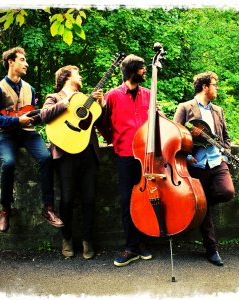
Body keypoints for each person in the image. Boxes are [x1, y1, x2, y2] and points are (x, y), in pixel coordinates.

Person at [0, 46, 63, 233]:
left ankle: (48, 208)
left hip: (28, 133)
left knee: (46, 158)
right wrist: (16, 120)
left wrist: (35, 117)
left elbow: (31, 113)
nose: (26, 63)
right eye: (22, 60)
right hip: (6, 134)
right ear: (11, 62)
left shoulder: (30, 88)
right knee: (9, 163)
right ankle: (5, 209)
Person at [39, 65, 104, 259]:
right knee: (67, 199)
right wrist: (66, 102)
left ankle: (87, 240)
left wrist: (102, 104)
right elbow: (43, 116)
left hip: (88, 154)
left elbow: (100, 122)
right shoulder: (54, 97)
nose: (81, 76)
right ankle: (66, 238)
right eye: (78, 74)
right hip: (65, 155)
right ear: (67, 77)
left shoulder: (87, 99)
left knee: (89, 199)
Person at [173, 71, 235, 267]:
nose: (217, 89)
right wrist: (188, 157)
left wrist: (225, 153)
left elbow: (226, 137)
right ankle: (212, 249)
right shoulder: (185, 107)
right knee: (205, 207)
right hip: (197, 165)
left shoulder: (218, 110)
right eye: (215, 85)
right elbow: (175, 135)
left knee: (227, 192)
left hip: (218, 162)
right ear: (205, 87)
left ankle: (201, 205)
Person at [101, 54, 153, 267]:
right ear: (132, 71)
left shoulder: (150, 94)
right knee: (126, 201)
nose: (145, 72)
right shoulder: (112, 96)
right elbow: (103, 122)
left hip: (148, 156)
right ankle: (131, 247)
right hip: (125, 155)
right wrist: (113, 139)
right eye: (142, 69)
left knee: (147, 199)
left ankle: (143, 243)